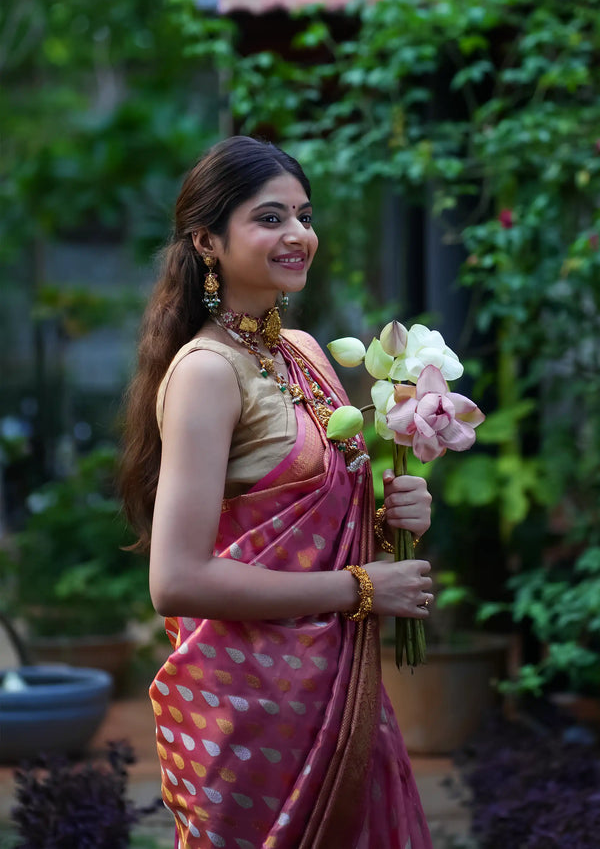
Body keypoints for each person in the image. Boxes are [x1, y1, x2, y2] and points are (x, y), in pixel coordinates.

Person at [120, 135, 435, 849]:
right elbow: (176, 580)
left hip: (338, 690)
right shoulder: (207, 371)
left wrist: (396, 518)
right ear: (207, 239)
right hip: (254, 712)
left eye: (304, 214)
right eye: (269, 218)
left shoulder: (306, 352)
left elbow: (323, 522)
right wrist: (360, 587)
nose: (298, 234)